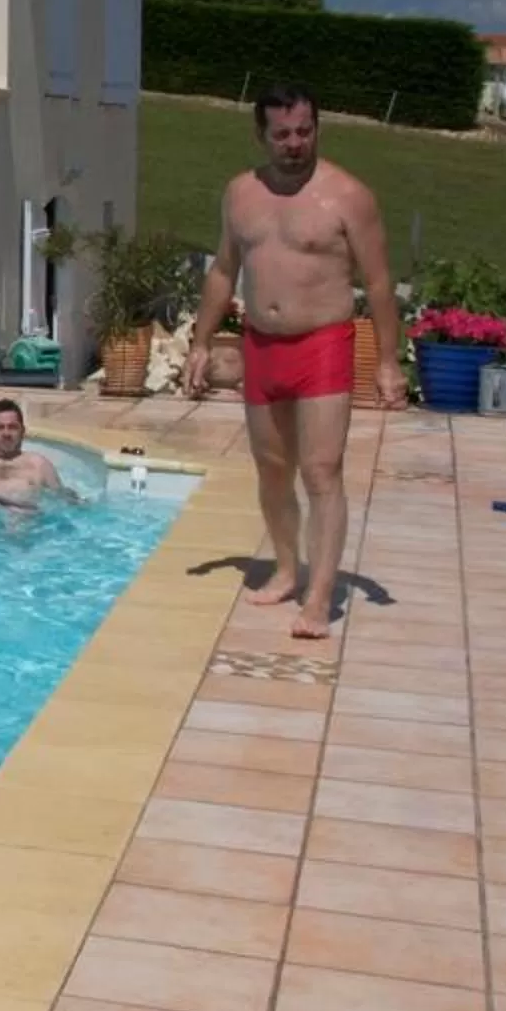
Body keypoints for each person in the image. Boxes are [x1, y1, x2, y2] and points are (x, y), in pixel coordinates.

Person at [185, 82, 404, 639]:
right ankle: (286, 568)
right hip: (261, 344)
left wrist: (388, 362)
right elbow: (222, 272)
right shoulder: (240, 194)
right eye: (282, 134)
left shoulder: (348, 196)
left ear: (317, 129)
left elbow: (379, 283)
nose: (294, 144)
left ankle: (321, 596)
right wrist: (201, 341)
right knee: (273, 469)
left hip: (323, 344)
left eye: (304, 131)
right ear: (261, 135)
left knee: (321, 470)